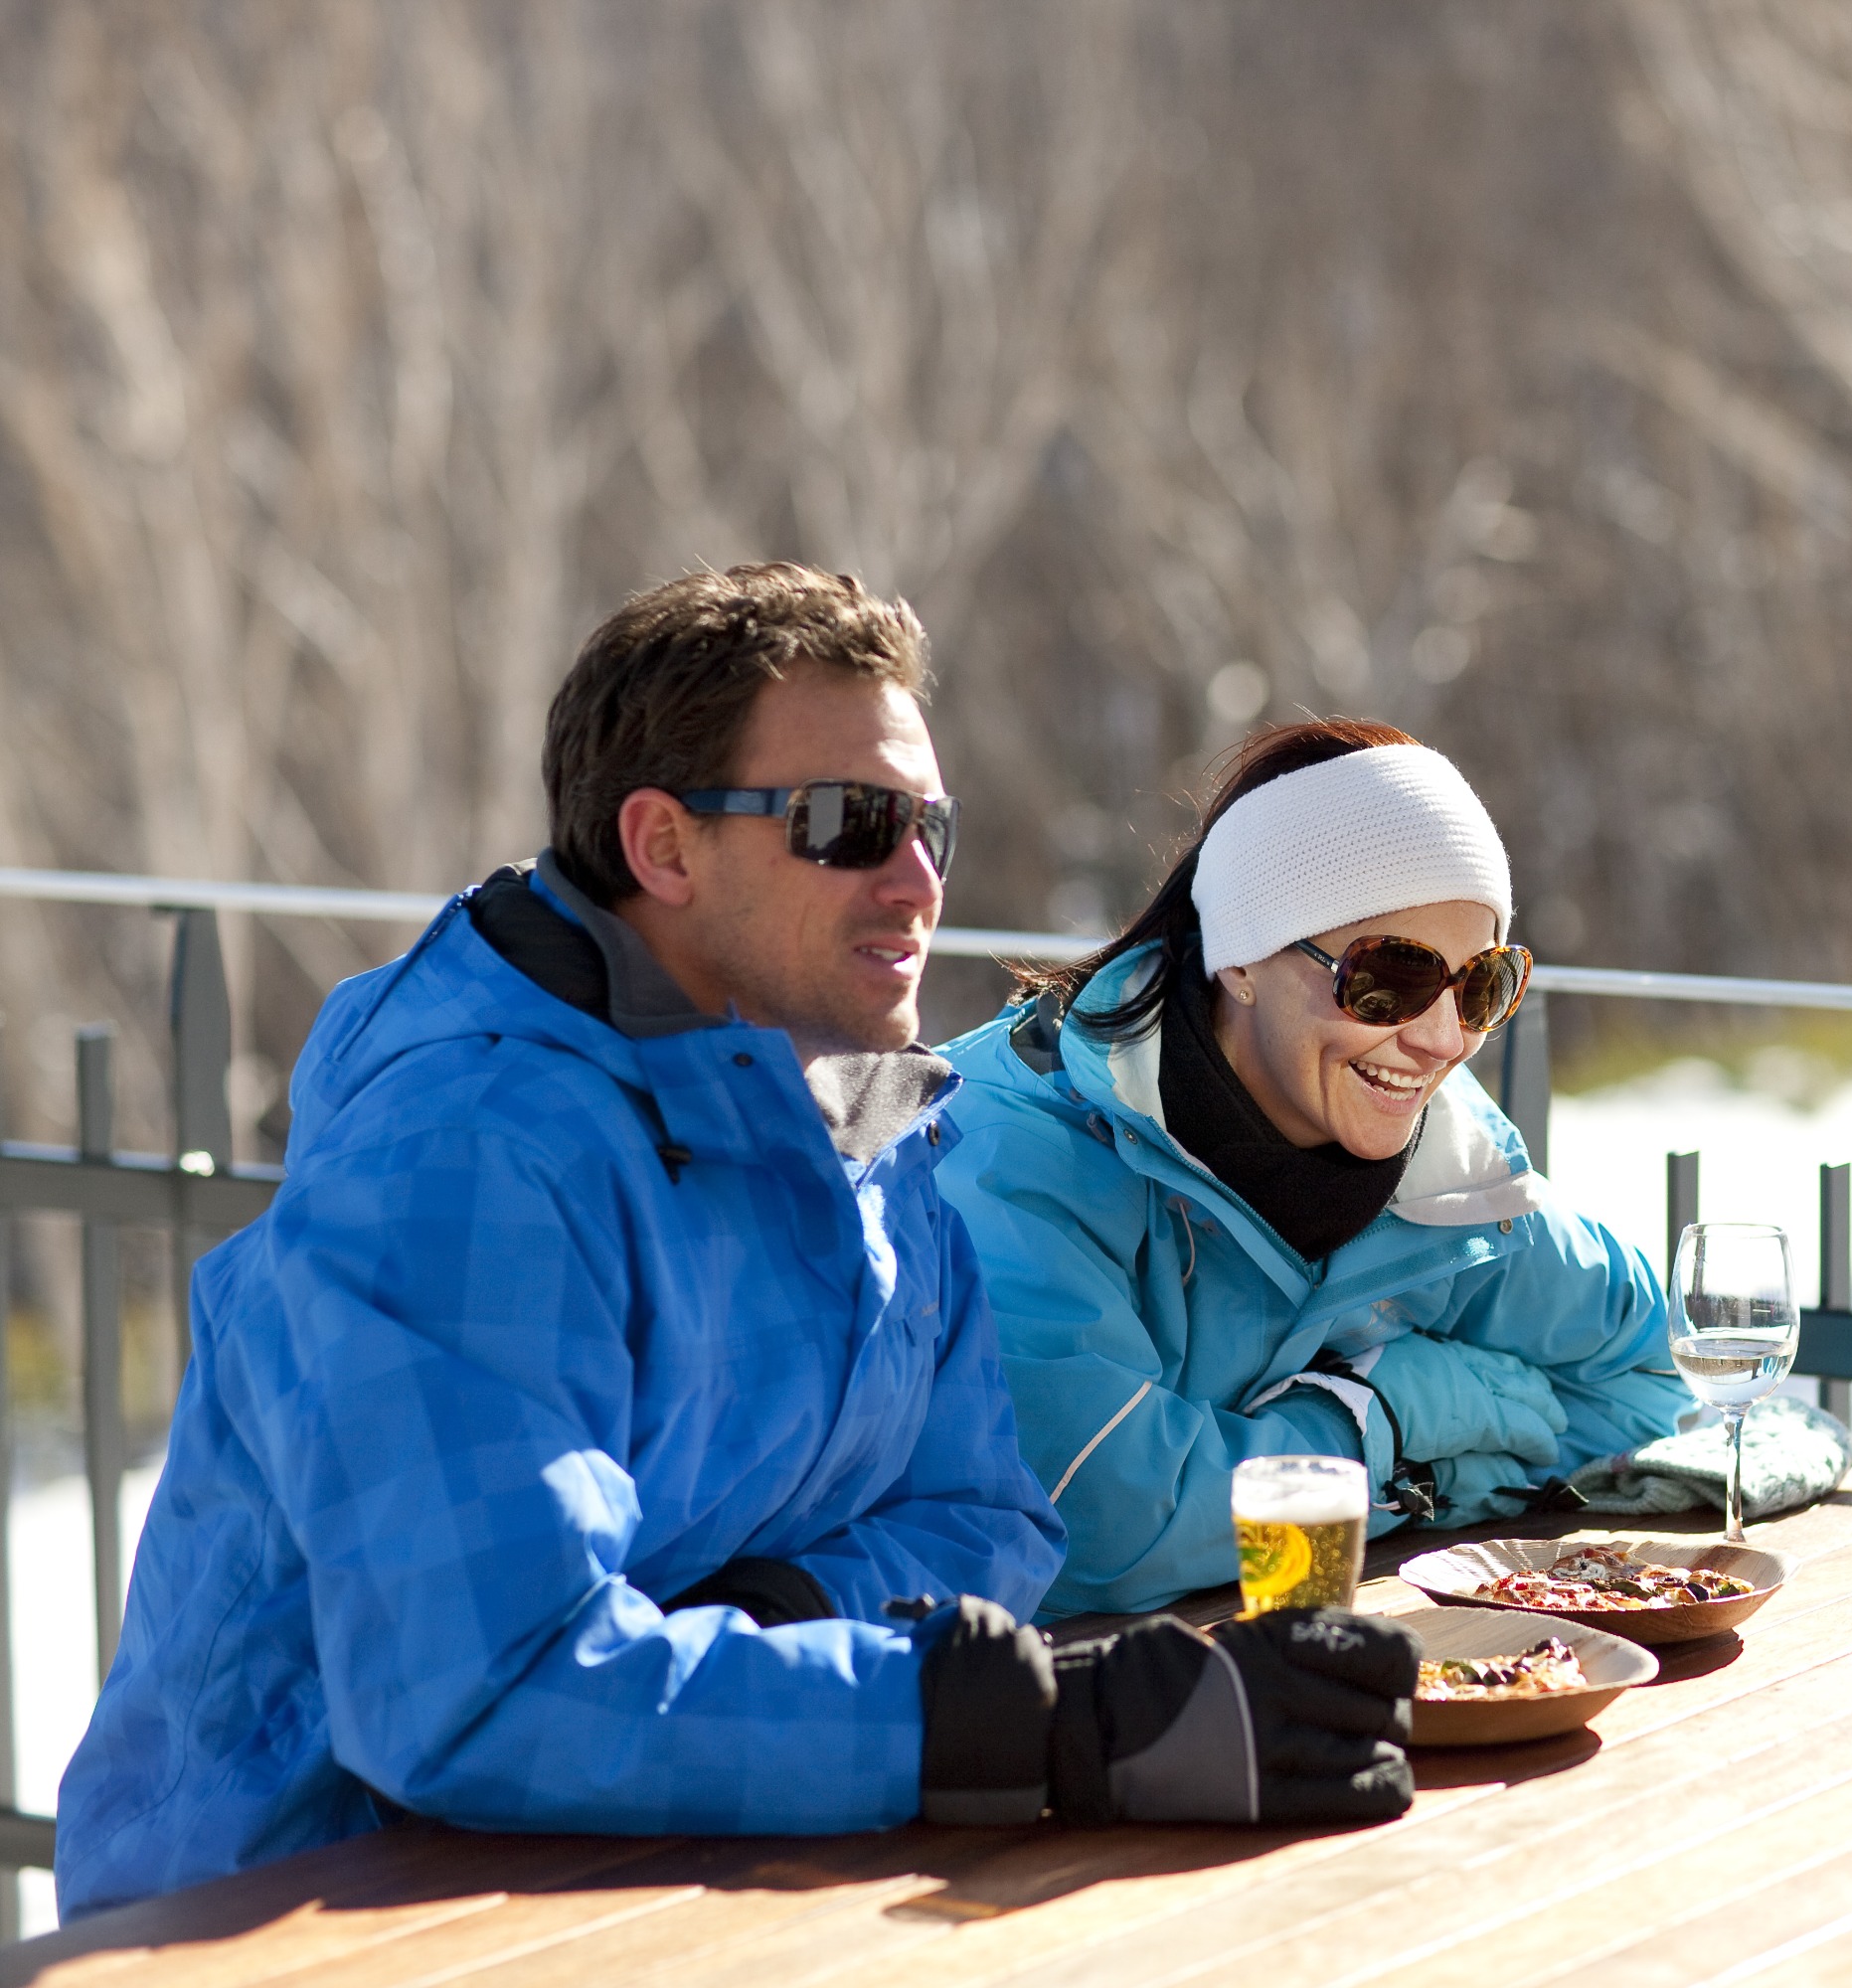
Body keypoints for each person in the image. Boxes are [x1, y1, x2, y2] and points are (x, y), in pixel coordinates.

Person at [58, 567, 1415, 1918]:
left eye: (934, 829)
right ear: (662, 847)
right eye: (848, 823)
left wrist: (753, 1626)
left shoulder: (867, 1124)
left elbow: (986, 1520)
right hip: (292, 1911)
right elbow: (480, 1701)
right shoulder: (466, 1156)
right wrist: (1008, 1721)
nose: (915, 880)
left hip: (662, 1870)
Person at [935, 721, 1689, 1618]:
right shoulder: (1006, 1150)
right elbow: (1102, 1531)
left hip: (1340, 1682)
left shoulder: (1446, 1173)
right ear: (1243, 958)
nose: (1444, 1039)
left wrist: (1413, 1477)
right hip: (1053, 1723)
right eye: (1392, 980)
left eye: (1482, 983)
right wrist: (1383, 1411)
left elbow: (1654, 1385)